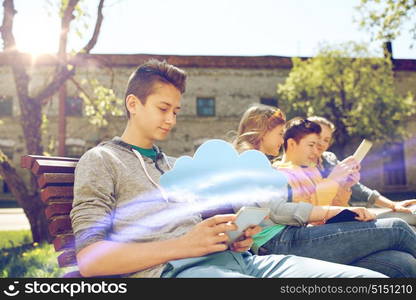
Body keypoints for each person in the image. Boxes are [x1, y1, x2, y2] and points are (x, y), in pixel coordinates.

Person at [69, 60, 383, 278]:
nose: (171, 120)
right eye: (163, 109)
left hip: (241, 261)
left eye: (176, 111)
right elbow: (90, 260)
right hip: (182, 272)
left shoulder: (173, 165)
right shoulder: (101, 160)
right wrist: (184, 246)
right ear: (133, 104)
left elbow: (203, 228)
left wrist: (233, 237)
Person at [232, 104, 416, 277]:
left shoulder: (258, 163)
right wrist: (335, 209)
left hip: (289, 236)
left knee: (401, 263)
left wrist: (343, 188)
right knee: (398, 228)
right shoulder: (253, 162)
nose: (282, 140)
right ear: (262, 132)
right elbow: (278, 211)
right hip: (281, 242)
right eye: (279, 133)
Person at [308, 115, 416, 226]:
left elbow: (358, 188)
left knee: (414, 211)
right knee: (399, 226)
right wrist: (335, 179)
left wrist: (393, 205)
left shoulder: (329, 158)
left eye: (326, 140)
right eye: (318, 137)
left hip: (350, 218)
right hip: (334, 224)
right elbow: (312, 211)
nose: (321, 143)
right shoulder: (300, 168)